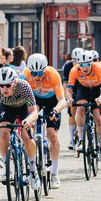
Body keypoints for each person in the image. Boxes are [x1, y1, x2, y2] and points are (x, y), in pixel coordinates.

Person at [0, 65, 40, 185]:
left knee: (26, 137)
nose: (4, 89)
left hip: (24, 109)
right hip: (8, 108)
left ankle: (33, 170)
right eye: (1, 85)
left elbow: (34, 112)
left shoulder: (24, 86)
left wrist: (29, 120)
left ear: (14, 82)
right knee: (4, 131)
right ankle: (6, 168)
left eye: (8, 85)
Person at [23, 52, 66, 189]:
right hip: (35, 100)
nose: (36, 77)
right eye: (33, 73)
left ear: (45, 70)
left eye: (39, 73)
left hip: (52, 101)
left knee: (52, 135)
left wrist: (56, 110)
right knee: (30, 124)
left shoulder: (53, 75)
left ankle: (54, 173)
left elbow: (62, 100)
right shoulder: (24, 75)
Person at [68, 48, 101, 161]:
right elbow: (69, 89)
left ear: (92, 63)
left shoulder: (99, 68)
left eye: (87, 64)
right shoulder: (74, 70)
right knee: (80, 109)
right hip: (84, 90)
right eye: (81, 65)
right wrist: (69, 99)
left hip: (96, 90)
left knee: (98, 118)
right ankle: (81, 140)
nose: (84, 67)